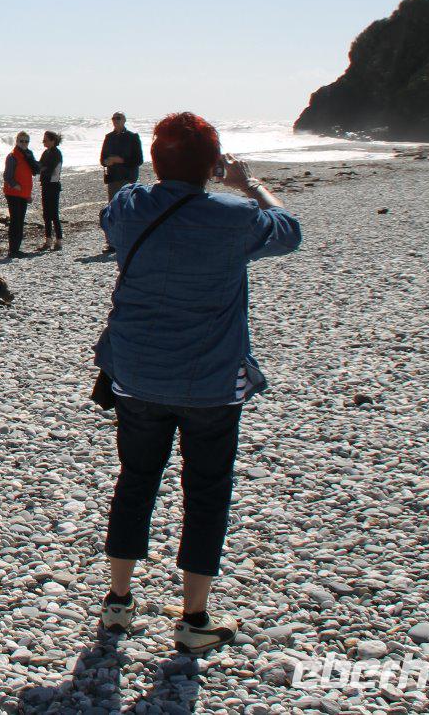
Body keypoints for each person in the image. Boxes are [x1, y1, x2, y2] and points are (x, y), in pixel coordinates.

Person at [93, 112, 301, 654]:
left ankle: (118, 603)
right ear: (212, 165)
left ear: (155, 162)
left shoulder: (131, 207)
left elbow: (112, 214)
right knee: (206, 490)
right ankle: (194, 617)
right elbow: (290, 232)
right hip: (210, 381)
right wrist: (248, 182)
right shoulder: (236, 217)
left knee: (136, 477)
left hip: (137, 374)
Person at [100, 112, 144, 252]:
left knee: (127, 209)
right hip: (113, 178)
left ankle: (129, 240)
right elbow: (102, 159)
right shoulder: (109, 137)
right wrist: (107, 161)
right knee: (113, 210)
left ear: (124, 120)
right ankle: (112, 242)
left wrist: (121, 160)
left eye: (118, 118)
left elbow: (139, 160)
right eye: (113, 118)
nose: (116, 121)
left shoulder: (132, 137)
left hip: (127, 178)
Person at [1, 131, 39, 259]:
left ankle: (16, 249)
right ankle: (13, 250)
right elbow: (7, 176)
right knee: (15, 221)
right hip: (13, 193)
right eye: (21, 141)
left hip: (23, 194)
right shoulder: (12, 156)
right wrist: (15, 185)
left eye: (26, 141)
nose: (24, 143)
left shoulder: (28, 155)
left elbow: (35, 171)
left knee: (20, 221)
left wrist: (27, 193)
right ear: (16, 141)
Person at [36, 131, 64, 251]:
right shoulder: (46, 152)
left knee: (54, 214)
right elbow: (40, 166)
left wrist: (41, 168)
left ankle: (59, 240)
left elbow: (48, 168)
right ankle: (48, 240)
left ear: (53, 141)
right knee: (46, 214)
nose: (44, 141)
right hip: (46, 185)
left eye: (46, 139)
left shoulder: (56, 153)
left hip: (53, 185)